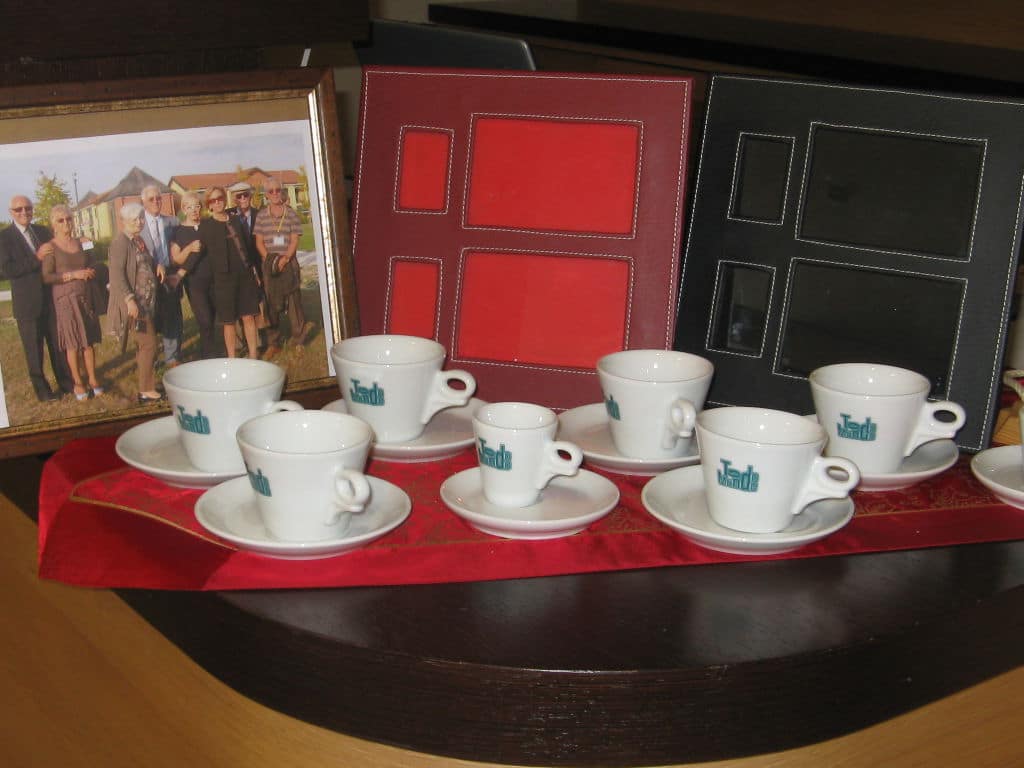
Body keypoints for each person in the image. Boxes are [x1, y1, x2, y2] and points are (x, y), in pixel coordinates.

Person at [0, 194, 74, 401]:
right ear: (11, 212)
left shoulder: (42, 231)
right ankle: (43, 392)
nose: (24, 212)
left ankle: (67, 384)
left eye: (28, 208)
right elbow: (7, 270)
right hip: (27, 305)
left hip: (51, 300)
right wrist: (36, 258)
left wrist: (79, 242)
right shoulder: (4, 238)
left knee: (58, 346)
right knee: (34, 351)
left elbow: (60, 249)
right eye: (19, 209)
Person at [39, 205, 103, 401]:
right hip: (65, 299)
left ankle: (93, 379)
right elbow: (46, 276)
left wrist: (90, 252)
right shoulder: (50, 247)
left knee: (88, 341)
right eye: (61, 220)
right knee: (73, 342)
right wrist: (74, 275)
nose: (66, 223)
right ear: (53, 224)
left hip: (85, 296)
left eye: (69, 218)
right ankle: (78, 382)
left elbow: (94, 262)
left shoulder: (82, 242)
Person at [253, 177, 314, 360]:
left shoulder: (291, 214)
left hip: (289, 263)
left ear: (282, 191)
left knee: (294, 303)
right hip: (269, 265)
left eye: (277, 190)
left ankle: (299, 341)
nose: (274, 194)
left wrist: (285, 259)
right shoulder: (261, 216)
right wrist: (271, 261)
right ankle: (274, 343)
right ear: (266, 195)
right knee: (271, 306)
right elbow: (259, 242)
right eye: (270, 191)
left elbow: (294, 240)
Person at [107, 202, 163, 403]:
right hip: (136, 304)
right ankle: (146, 390)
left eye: (140, 218)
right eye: (134, 219)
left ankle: (144, 381)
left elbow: (144, 262)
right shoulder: (120, 243)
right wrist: (129, 300)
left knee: (143, 344)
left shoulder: (138, 240)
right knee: (149, 344)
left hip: (147, 302)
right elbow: (116, 275)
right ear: (123, 222)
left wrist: (158, 266)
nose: (139, 222)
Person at [201, 186, 261, 358]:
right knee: (229, 322)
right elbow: (200, 253)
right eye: (213, 200)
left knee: (248, 317)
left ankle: (253, 355)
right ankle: (232, 358)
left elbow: (247, 246)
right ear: (209, 205)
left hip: (244, 275)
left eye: (220, 198)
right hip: (223, 280)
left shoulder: (236, 220)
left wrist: (254, 270)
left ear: (224, 199)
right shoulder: (206, 226)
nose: (217, 202)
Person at [170, 192, 218, 359]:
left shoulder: (208, 225)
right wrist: (189, 248)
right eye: (190, 207)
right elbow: (176, 259)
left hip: (214, 279)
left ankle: (212, 349)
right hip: (194, 282)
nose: (194, 210)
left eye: (197, 206)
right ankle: (209, 356)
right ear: (184, 210)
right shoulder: (179, 231)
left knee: (213, 317)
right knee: (204, 319)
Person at [139, 184, 182, 368]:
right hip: (147, 277)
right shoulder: (138, 225)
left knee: (172, 316)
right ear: (143, 202)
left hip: (169, 274)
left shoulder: (172, 222)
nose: (156, 201)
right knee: (150, 319)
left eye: (158, 198)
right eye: (151, 199)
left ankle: (172, 357)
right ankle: (151, 357)